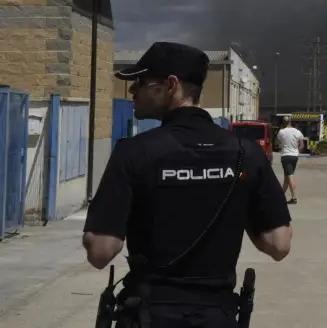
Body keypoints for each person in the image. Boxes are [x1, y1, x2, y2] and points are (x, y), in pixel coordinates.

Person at [82, 41, 293, 328]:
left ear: (171, 85)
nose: (133, 91)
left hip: (149, 316)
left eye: (141, 82)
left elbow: (100, 252)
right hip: (217, 317)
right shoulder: (246, 153)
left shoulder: (134, 152)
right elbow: (278, 244)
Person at [275, 117, 304, 205]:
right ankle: (280, 196)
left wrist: (281, 145)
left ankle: (294, 197)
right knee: (286, 178)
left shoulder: (281, 132)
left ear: (283, 122)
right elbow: (302, 145)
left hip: (286, 156)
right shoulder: (297, 132)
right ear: (290, 122)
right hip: (294, 156)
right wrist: (296, 151)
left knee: (290, 177)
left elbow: (276, 143)